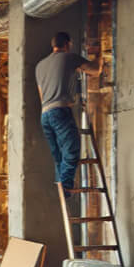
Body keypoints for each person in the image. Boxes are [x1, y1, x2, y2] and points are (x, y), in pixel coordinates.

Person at [35, 32, 103, 197]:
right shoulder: (69, 57)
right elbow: (96, 70)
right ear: (68, 44)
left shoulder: (40, 66)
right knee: (71, 150)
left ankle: (62, 189)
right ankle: (65, 188)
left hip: (45, 114)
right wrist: (100, 55)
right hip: (60, 111)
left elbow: (42, 95)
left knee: (59, 155)